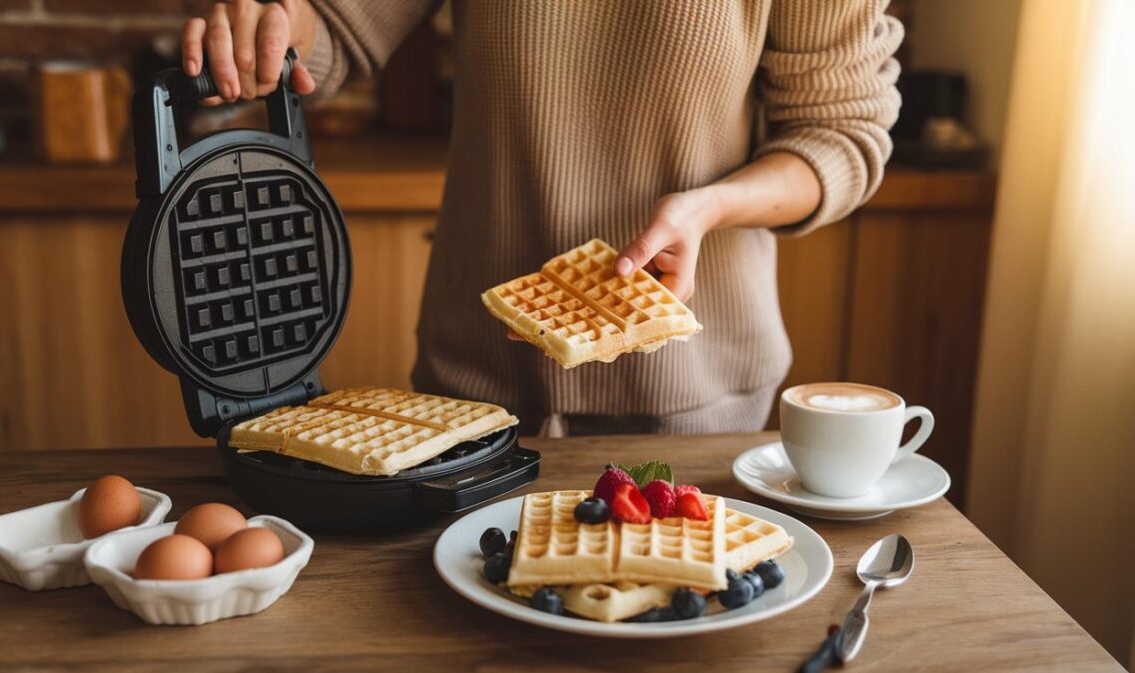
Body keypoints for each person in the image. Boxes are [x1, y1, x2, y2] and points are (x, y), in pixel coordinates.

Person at [181, 0, 902, 436]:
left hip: (697, 402)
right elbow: (337, 26)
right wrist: (274, 25)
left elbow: (840, 131)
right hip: (475, 393)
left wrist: (710, 207)